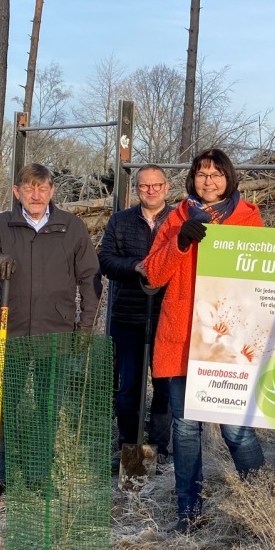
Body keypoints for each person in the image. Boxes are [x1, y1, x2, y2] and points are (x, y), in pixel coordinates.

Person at [145, 148, 266, 533]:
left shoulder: (249, 219)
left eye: (216, 174)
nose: (208, 181)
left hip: (228, 341)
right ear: (192, 179)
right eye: (201, 174)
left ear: (229, 179)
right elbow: (152, 275)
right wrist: (179, 242)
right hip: (182, 337)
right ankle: (189, 511)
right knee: (185, 427)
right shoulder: (177, 217)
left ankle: (263, 502)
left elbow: (263, 276)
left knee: (235, 429)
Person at [0, 163, 102, 503]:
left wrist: (85, 325)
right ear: (17, 191)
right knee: (4, 406)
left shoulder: (70, 228)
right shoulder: (1, 224)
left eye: (42, 188)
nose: (35, 195)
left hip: (55, 333)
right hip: (10, 333)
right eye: (29, 188)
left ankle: (40, 477)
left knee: (47, 407)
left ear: (52, 192)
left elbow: (90, 278)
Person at [99, 165, 174, 470]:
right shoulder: (120, 221)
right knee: (128, 387)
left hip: (167, 318)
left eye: (157, 185)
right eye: (145, 186)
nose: (151, 190)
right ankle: (129, 447)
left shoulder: (178, 221)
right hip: (128, 318)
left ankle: (160, 448)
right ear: (137, 190)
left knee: (166, 388)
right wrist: (136, 266)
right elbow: (105, 261)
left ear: (166, 188)